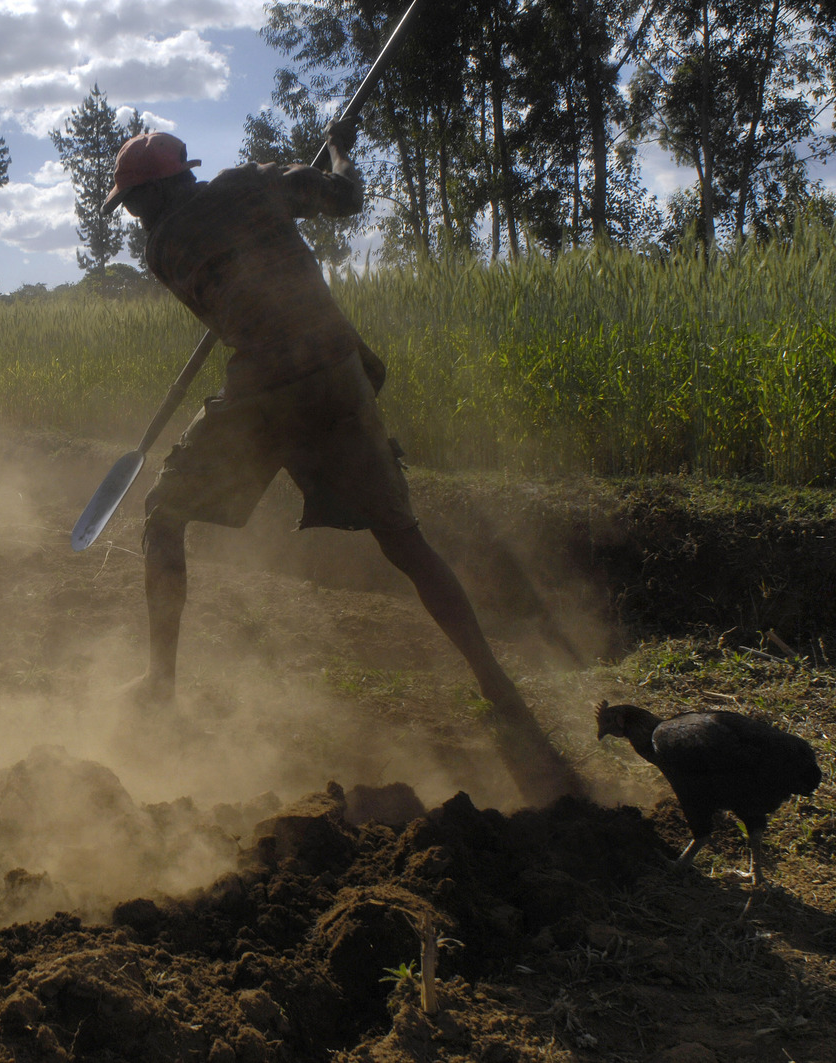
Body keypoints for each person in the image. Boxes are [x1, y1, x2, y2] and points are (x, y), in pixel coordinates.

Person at [103, 126, 580, 805]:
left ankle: (161, 682)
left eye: (130, 202)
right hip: (333, 374)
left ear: (152, 194)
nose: (131, 215)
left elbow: (238, 281)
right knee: (403, 538)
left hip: (265, 391)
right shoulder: (248, 185)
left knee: (162, 514)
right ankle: (494, 681)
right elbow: (345, 197)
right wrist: (335, 148)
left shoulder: (161, 248)